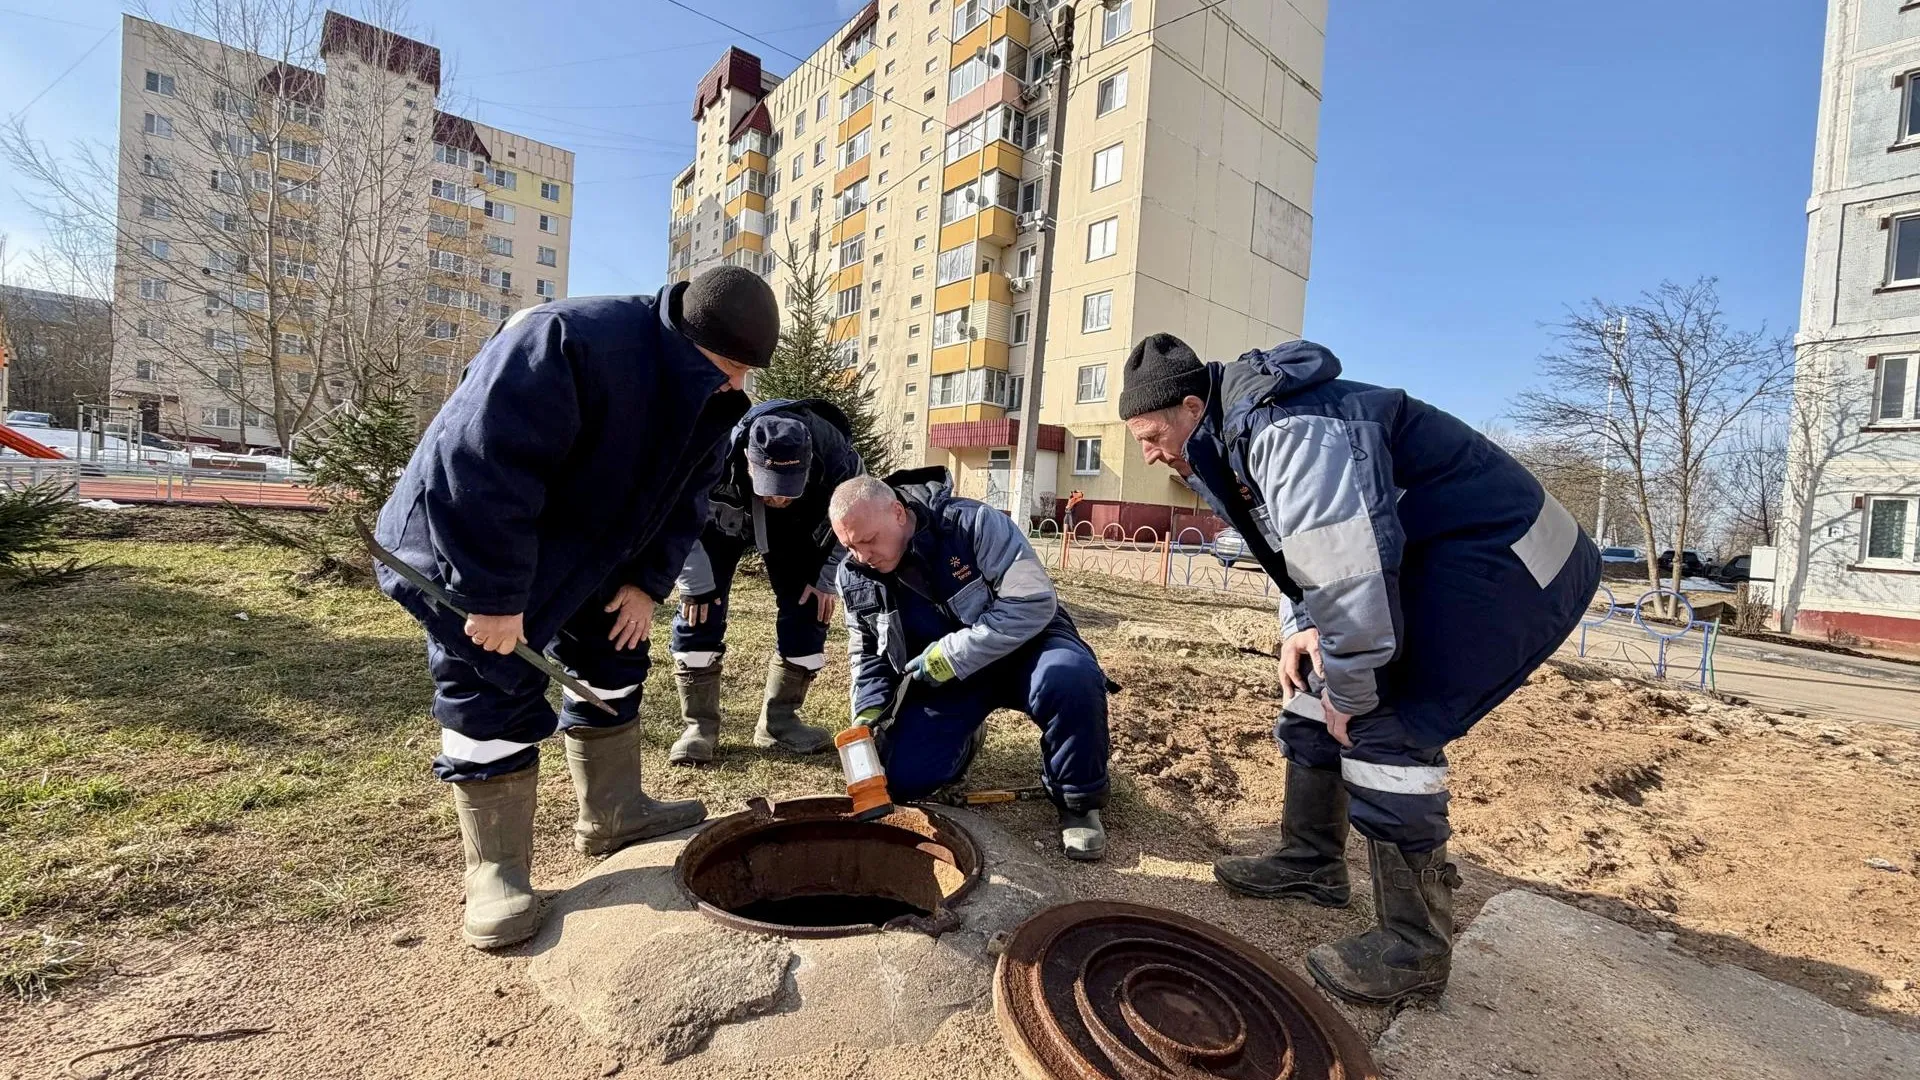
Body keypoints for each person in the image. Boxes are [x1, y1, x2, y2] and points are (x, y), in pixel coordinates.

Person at [1118, 334, 1598, 1005]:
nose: (1147, 453)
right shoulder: (1233, 436)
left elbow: (1351, 585)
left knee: (1385, 721)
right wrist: (1301, 629)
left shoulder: (1290, 434)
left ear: (1192, 407)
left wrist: (1353, 688)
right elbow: (1297, 551)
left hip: (1514, 565)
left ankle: (1414, 948)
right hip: (1437, 552)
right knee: (1314, 685)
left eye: (1151, 434)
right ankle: (1312, 864)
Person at [373, 267, 779, 950]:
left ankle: (613, 814)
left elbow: (691, 497)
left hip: (592, 549)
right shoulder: (565, 341)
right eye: (730, 367)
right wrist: (494, 594)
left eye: (747, 373)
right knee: (488, 687)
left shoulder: (710, 395)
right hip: (473, 544)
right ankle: (496, 873)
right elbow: (476, 467)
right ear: (689, 342)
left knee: (615, 653)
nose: (738, 386)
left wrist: (648, 583)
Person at [829, 469, 1112, 861]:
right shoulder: (854, 574)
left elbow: (1032, 603)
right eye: (849, 546)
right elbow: (867, 654)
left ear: (897, 513)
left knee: (1069, 678)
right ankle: (964, 740)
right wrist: (868, 711)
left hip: (1026, 648)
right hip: (948, 677)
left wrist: (952, 654)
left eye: (869, 540)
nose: (862, 555)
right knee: (901, 779)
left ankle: (1077, 801)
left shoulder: (973, 524)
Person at [667, 399, 864, 764]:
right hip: (718, 519)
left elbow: (851, 522)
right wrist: (694, 582)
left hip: (799, 529)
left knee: (810, 609)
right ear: (746, 458)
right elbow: (676, 517)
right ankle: (698, 728)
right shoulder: (710, 446)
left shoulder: (837, 458)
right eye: (771, 485)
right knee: (700, 610)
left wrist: (825, 580)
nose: (778, 496)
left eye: (789, 486)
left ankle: (780, 724)